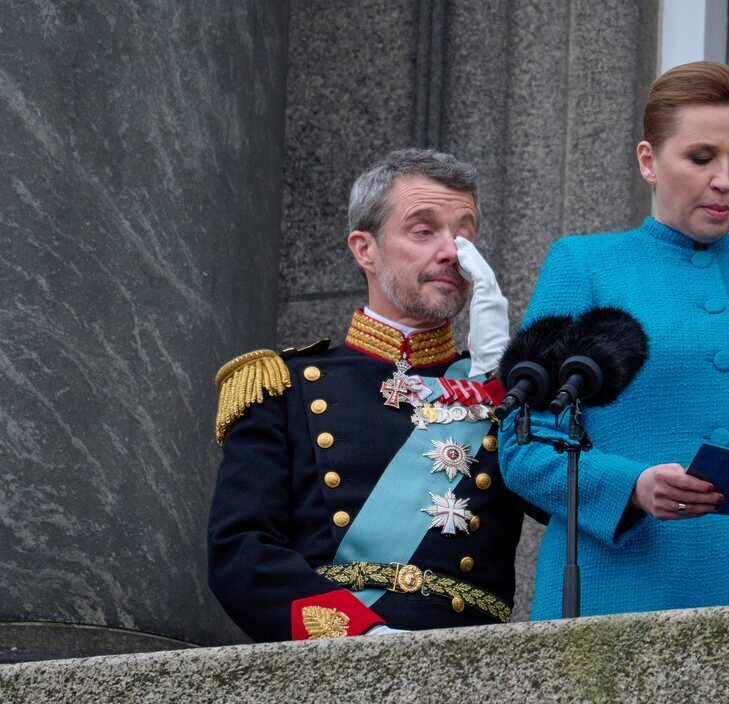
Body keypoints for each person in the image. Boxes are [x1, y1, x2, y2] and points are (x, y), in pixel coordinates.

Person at [499, 62, 729, 620]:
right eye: (701, 158)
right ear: (649, 161)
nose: (725, 179)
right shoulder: (584, 266)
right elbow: (522, 444)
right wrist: (633, 486)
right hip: (609, 605)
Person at [208, 148, 537, 641]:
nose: (452, 251)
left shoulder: (507, 388)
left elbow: (567, 502)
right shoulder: (284, 383)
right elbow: (241, 552)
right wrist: (359, 637)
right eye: (424, 231)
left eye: (464, 233)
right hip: (336, 661)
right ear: (365, 249)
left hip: (477, 664)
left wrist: (511, 381)